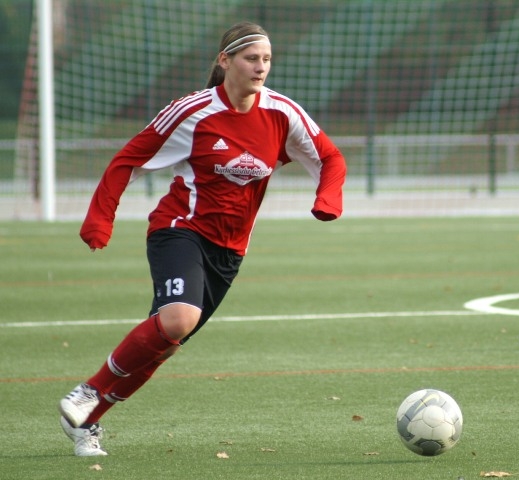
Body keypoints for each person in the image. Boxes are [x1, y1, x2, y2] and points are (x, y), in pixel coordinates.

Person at [58, 21, 346, 457]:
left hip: (230, 252)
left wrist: (328, 198)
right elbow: (126, 159)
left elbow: (330, 157)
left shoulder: (282, 113)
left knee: (163, 347)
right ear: (225, 60)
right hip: (180, 229)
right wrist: (100, 218)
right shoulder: (193, 112)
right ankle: (87, 392)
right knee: (178, 320)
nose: (261, 67)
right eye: (252, 58)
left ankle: (87, 423)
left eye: (267, 59)